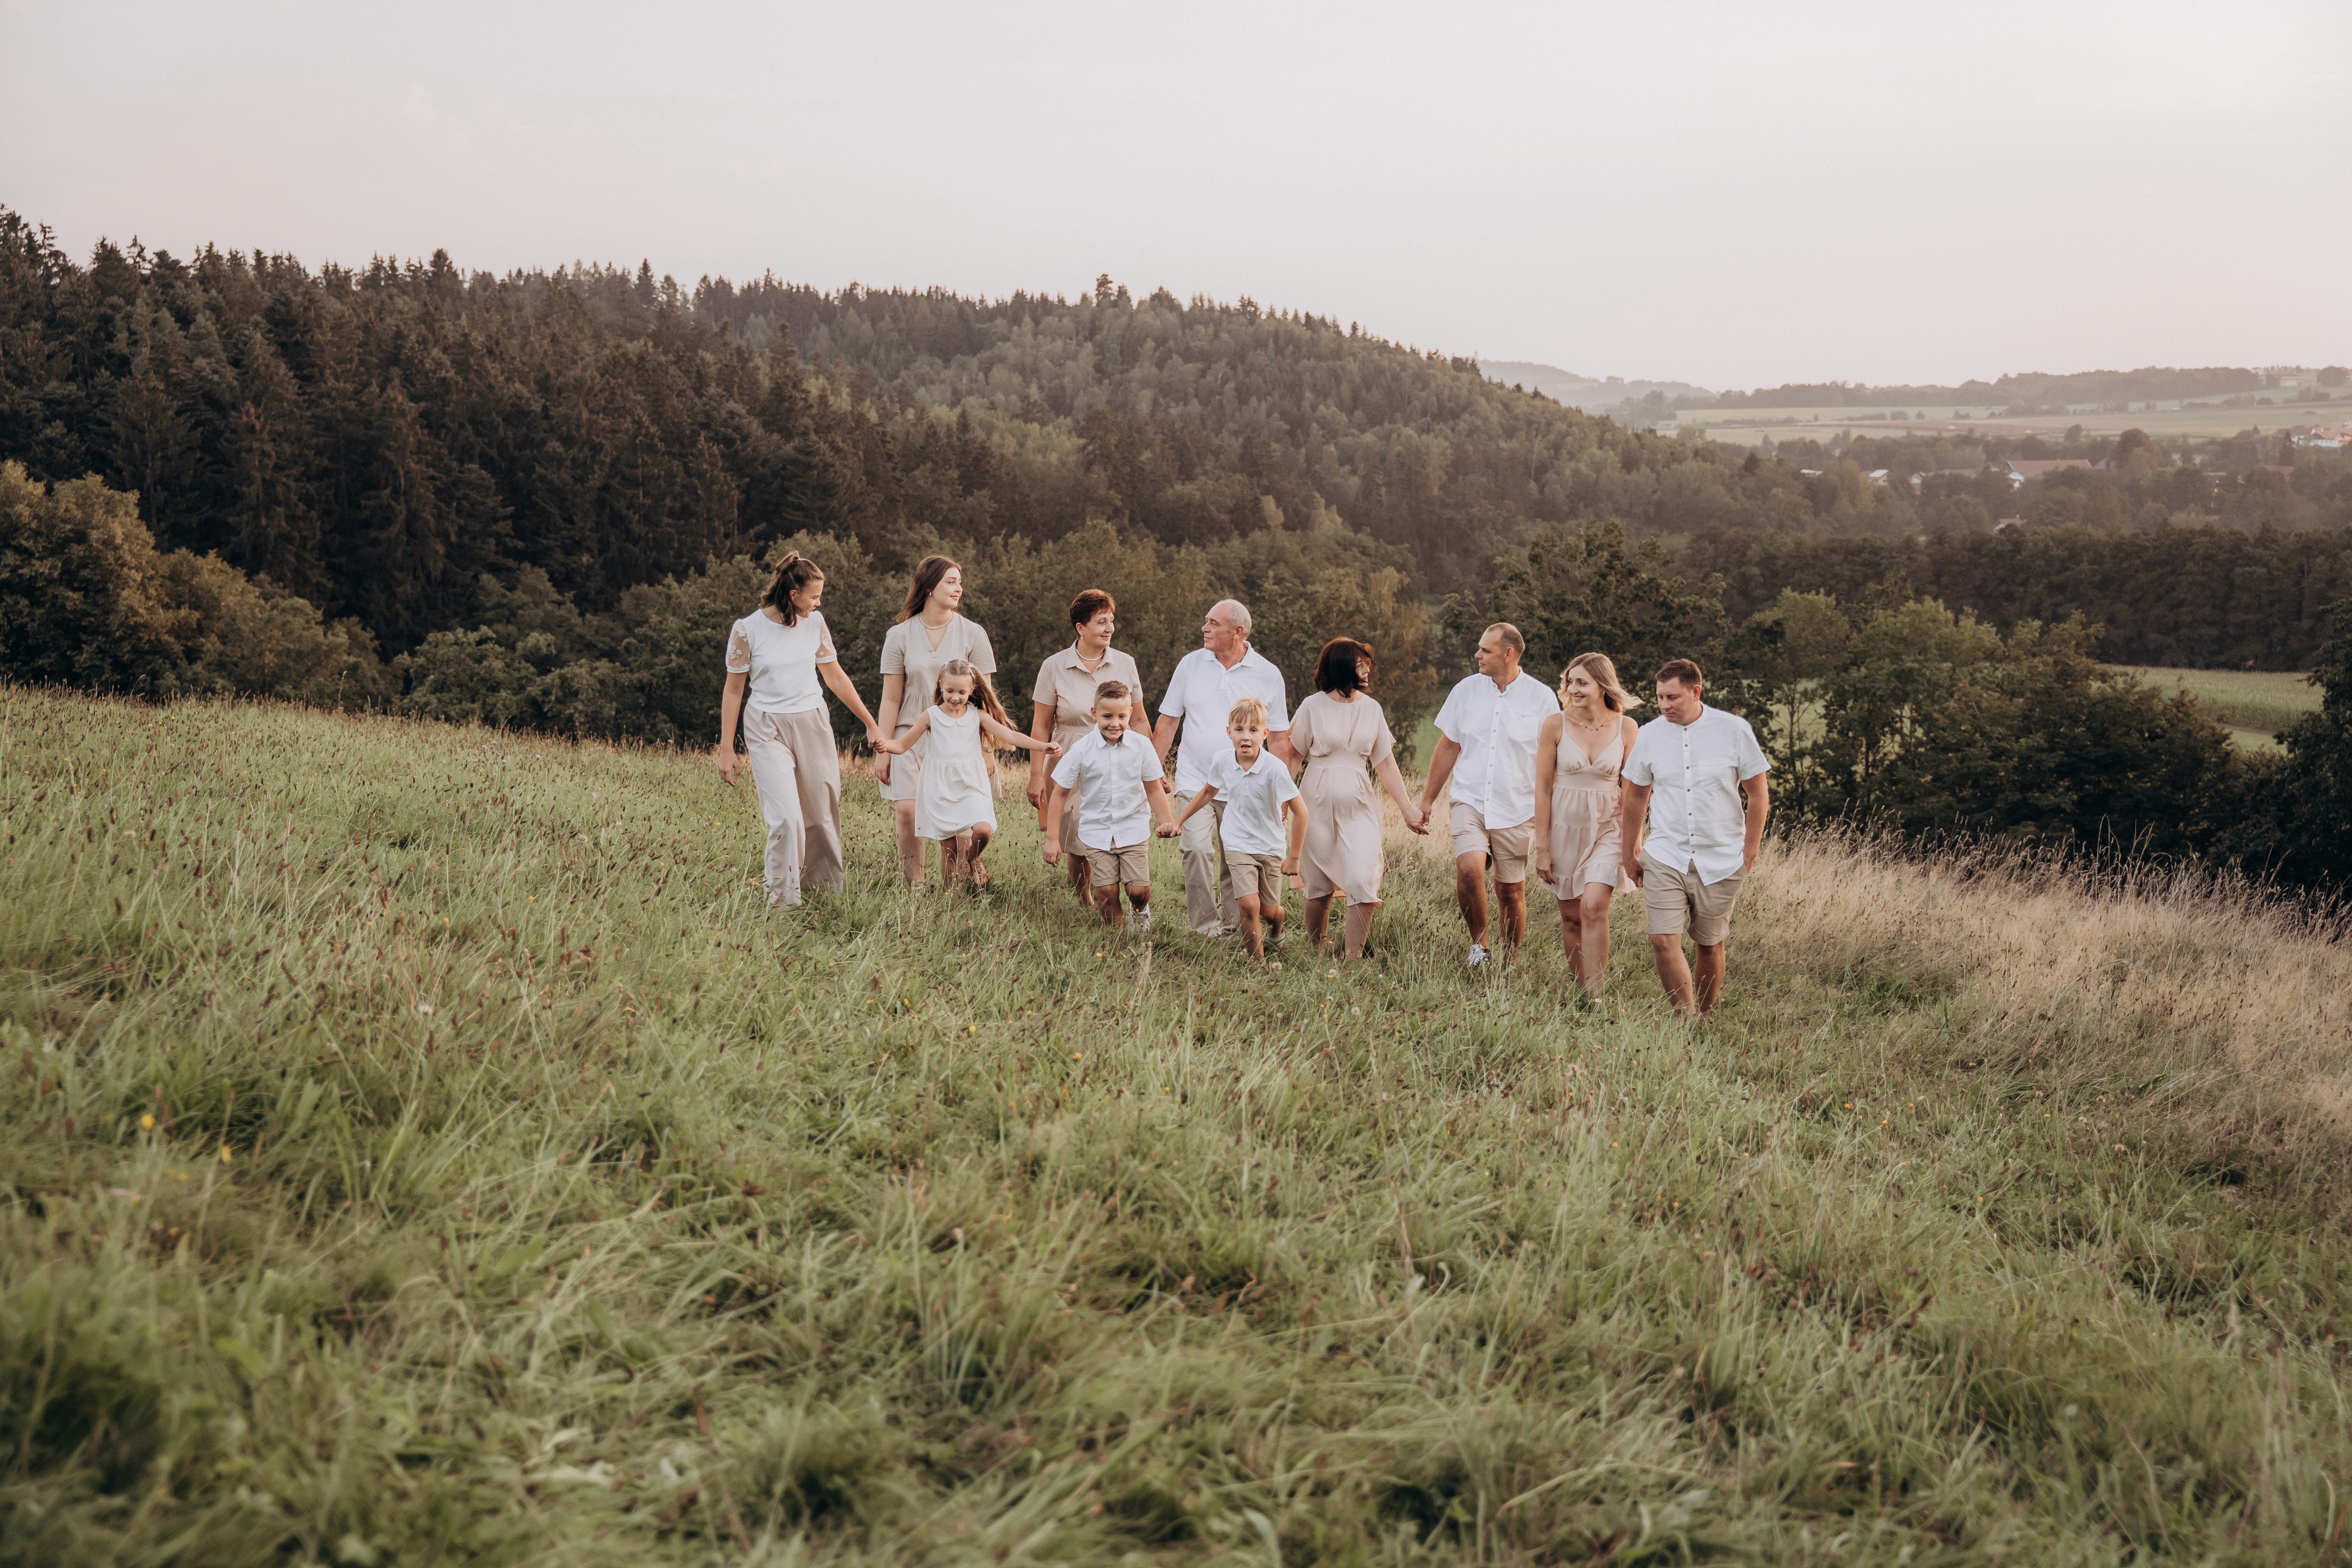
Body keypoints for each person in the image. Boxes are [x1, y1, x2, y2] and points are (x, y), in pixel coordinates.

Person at [715, 551, 883, 908]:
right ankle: (783, 902)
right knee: (786, 818)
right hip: (766, 727)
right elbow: (733, 690)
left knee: (822, 814)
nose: (819, 603)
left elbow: (835, 677)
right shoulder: (747, 630)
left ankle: (823, 893)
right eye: (815, 596)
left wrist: (870, 723)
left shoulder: (816, 624)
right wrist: (727, 749)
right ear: (793, 596)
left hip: (812, 722)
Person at [1618, 658, 1770, 1017]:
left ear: (1696, 692)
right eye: (1660, 698)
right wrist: (1630, 851)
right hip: (1666, 853)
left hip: (1722, 858)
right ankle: (1686, 1019)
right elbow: (1636, 794)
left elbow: (1758, 793)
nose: (1665, 705)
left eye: (1673, 697)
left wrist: (1749, 851)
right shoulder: (1651, 734)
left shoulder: (1734, 730)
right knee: (1661, 939)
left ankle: (1704, 1014)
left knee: (1708, 944)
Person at [1418, 622, 1560, 968]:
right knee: (1469, 869)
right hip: (1470, 799)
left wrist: (1552, 821)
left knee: (1510, 892)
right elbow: (1449, 746)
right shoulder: (1466, 691)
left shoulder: (1542, 698)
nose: (1477, 655)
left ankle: (1509, 960)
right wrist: (1427, 800)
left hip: (1517, 807)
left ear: (1508, 654)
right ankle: (1480, 948)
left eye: (1486, 650)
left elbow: (1553, 763)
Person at [1153, 599, 1291, 936]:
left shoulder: (1268, 674)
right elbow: (1169, 721)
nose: (1205, 628)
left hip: (1248, 786)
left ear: (1237, 632)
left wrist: (1283, 794)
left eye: (1213, 624)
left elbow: (1280, 739)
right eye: (1206, 622)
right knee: (1196, 849)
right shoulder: (1190, 665)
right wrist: (1154, 769)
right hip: (1195, 779)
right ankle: (1205, 927)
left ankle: (1235, 928)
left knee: (1236, 859)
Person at [1287, 638, 1428, 960]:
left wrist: (1407, 809)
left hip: (1360, 799)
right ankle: (1317, 954)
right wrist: (1283, 800)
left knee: (1363, 879)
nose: (1366, 670)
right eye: (1360, 664)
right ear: (1341, 668)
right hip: (1315, 799)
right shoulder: (1312, 706)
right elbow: (1294, 757)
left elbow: (1385, 763)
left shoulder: (1372, 709)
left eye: (1367, 663)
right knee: (1319, 887)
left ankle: (1353, 960)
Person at [873, 658, 1060, 891]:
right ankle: (953, 900)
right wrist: (884, 746)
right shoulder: (931, 716)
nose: (955, 697)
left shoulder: (977, 715)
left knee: (983, 830)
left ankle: (973, 858)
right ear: (941, 686)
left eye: (962, 692)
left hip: (972, 784)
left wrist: (1044, 747)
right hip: (940, 787)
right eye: (950, 691)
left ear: (972, 690)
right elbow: (902, 746)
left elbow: (1011, 736)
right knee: (949, 850)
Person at [876, 555, 999, 888]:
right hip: (908, 731)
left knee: (958, 821)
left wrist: (987, 750)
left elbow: (985, 701)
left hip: (959, 736)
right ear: (929, 587)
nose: (959, 588)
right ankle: (916, 885)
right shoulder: (899, 635)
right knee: (907, 811)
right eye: (951, 581)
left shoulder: (974, 634)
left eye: (960, 582)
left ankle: (959, 884)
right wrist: (883, 749)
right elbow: (891, 698)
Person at [1531, 652, 1641, 998]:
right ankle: (1583, 994)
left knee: (1593, 906)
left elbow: (1634, 789)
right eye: (1570, 682)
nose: (1573, 689)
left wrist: (1633, 844)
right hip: (1564, 827)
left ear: (1601, 685)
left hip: (1609, 827)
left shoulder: (1627, 727)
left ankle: (1597, 995)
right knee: (1572, 919)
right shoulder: (1555, 725)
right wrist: (1543, 847)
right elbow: (1543, 787)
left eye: (1582, 683)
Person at [1028, 589, 1145, 906]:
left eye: (1112, 621)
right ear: (1081, 628)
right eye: (1101, 622)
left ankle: (1119, 895)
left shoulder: (1126, 663)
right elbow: (1041, 725)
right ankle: (1086, 899)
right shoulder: (1054, 666)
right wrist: (1036, 775)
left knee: (1115, 828)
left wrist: (1152, 767)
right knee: (1077, 834)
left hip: (1119, 756)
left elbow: (1140, 721)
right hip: (1069, 753)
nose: (1110, 628)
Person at [1165, 697, 1303, 962]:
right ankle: (1257, 964)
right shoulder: (1222, 761)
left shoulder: (1275, 769)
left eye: (1253, 730)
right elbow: (1207, 792)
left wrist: (1294, 856)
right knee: (1248, 907)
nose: (1246, 737)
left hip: (1270, 846)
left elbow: (1302, 812)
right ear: (1229, 733)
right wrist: (1180, 821)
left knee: (1267, 910)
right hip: (1237, 843)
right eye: (1239, 730)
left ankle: (1278, 923)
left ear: (1265, 734)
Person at [1045, 680, 1178, 932]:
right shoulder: (1082, 750)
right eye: (1107, 716)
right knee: (1106, 892)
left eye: (1121, 716)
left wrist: (1166, 821)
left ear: (1130, 714)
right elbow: (1060, 793)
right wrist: (1053, 840)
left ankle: (1140, 917)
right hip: (1096, 831)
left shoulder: (1142, 746)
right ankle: (1118, 939)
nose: (1114, 723)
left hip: (1133, 829)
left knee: (1139, 891)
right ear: (1094, 714)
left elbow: (1153, 787)